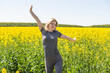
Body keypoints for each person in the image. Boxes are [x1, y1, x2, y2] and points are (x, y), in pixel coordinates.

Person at [30, 5, 76, 73]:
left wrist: (73, 39)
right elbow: (38, 20)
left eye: (55, 24)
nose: (53, 25)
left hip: (57, 58)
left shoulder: (56, 33)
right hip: (48, 59)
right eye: (52, 23)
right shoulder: (43, 31)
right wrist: (31, 12)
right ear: (48, 24)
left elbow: (66, 37)